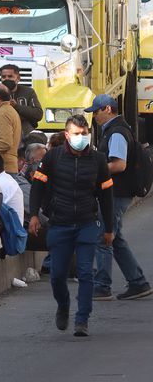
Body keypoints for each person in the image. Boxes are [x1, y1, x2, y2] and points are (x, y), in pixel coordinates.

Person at [29, 114, 115, 336]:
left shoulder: (98, 160)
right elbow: (37, 186)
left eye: (84, 133)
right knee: (57, 275)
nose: (81, 137)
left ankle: (82, 319)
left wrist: (109, 229)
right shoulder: (53, 158)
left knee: (86, 273)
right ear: (67, 135)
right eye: (77, 134)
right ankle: (64, 305)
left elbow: (107, 196)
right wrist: (35, 215)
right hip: (59, 224)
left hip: (87, 223)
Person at [86, 94, 152, 301]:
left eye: (96, 112)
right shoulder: (117, 130)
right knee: (116, 237)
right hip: (117, 192)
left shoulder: (116, 133)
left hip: (117, 193)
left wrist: (93, 170)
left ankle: (102, 286)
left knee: (104, 237)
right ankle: (138, 282)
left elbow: (119, 164)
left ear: (107, 109)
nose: (94, 116)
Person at [1, 64, 43, 135]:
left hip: (25, 132)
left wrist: (17, 106)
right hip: (4, 132)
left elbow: (38, 114)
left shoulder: (29, 92)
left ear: (18, 78)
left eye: (10, 76)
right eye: (3, 77)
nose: (6, 79)